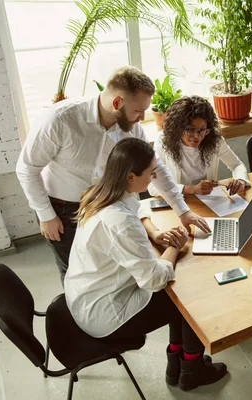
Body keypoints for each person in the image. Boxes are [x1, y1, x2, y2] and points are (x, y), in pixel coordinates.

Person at [16, 66, 210, 285]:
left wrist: (182, 210)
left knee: (110, 272)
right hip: (63, 211)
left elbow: (154, 168)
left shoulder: (131, 127)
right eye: (138, 111)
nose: (142, 117)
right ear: (117, 103)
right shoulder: (60, 119)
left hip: (107, 206)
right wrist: (45, 214)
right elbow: (26, 168)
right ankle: (76, 315)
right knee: (74, 274)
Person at [65, 138, 227, 391]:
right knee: (189, 297)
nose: (154, 178)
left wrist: (153, 233)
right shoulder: (118, 222)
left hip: (86, 294)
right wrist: (176, 245)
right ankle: (191, 370)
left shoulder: (101, 192)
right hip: (104, 315)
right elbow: (155, 280)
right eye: (151, 174)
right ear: (131, 176)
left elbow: (136, 206)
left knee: (178, 288)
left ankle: (179, 363)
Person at [149, 95, 250, 197]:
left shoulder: (213, 138)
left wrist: (240, 180)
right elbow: (152, 188)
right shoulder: (163, 141)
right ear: (178, 128)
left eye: (202, 130)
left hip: (209, 201)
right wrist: (191, 189)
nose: (197, 136)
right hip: (180, 201)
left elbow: (237, 165)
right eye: (191, 130)